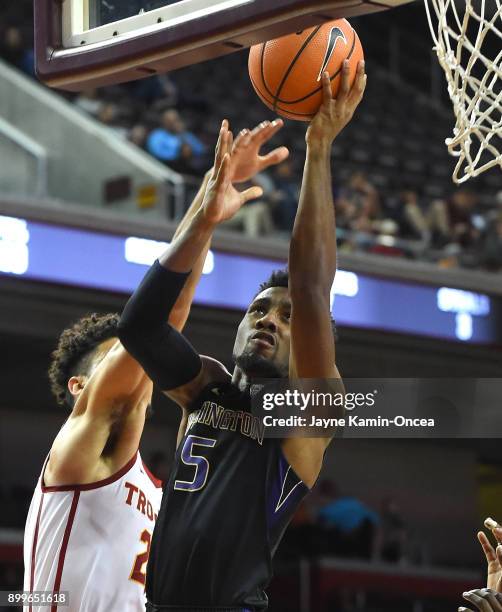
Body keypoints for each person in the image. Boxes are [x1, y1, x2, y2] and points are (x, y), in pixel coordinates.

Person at [118, 60, 366, 611]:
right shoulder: (204, 386)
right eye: (259, 309)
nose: (268, 320)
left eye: (285, 317)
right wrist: (204, 215)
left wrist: (319, 148)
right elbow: (138, 326)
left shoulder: (311, 411)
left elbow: (310, 286)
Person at [22, 119, 288, 612]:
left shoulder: (165, 487)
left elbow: (164, 327)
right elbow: (160, 322)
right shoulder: (80, 448)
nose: (139, 364)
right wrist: (205, 212)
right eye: (118, 359)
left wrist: (213, 200)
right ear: (82, 386)